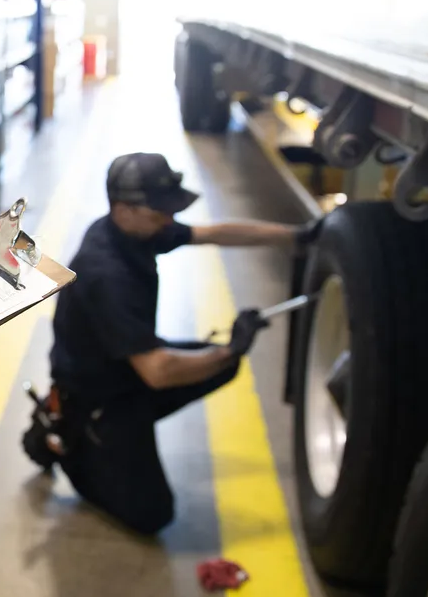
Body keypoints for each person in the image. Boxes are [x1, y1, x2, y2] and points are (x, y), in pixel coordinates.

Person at [23, 152, 312, 536]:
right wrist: (230, 348)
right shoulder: (106, 274)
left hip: (125, 369)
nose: (170, 220)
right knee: (153, 515)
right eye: (160, 212)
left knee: (219, 366)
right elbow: (157, 372)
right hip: (100, 398)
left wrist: (294, 236)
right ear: (124, 209)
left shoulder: (134, 230)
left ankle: (120, 436)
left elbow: (214, 233)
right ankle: (73, 445)